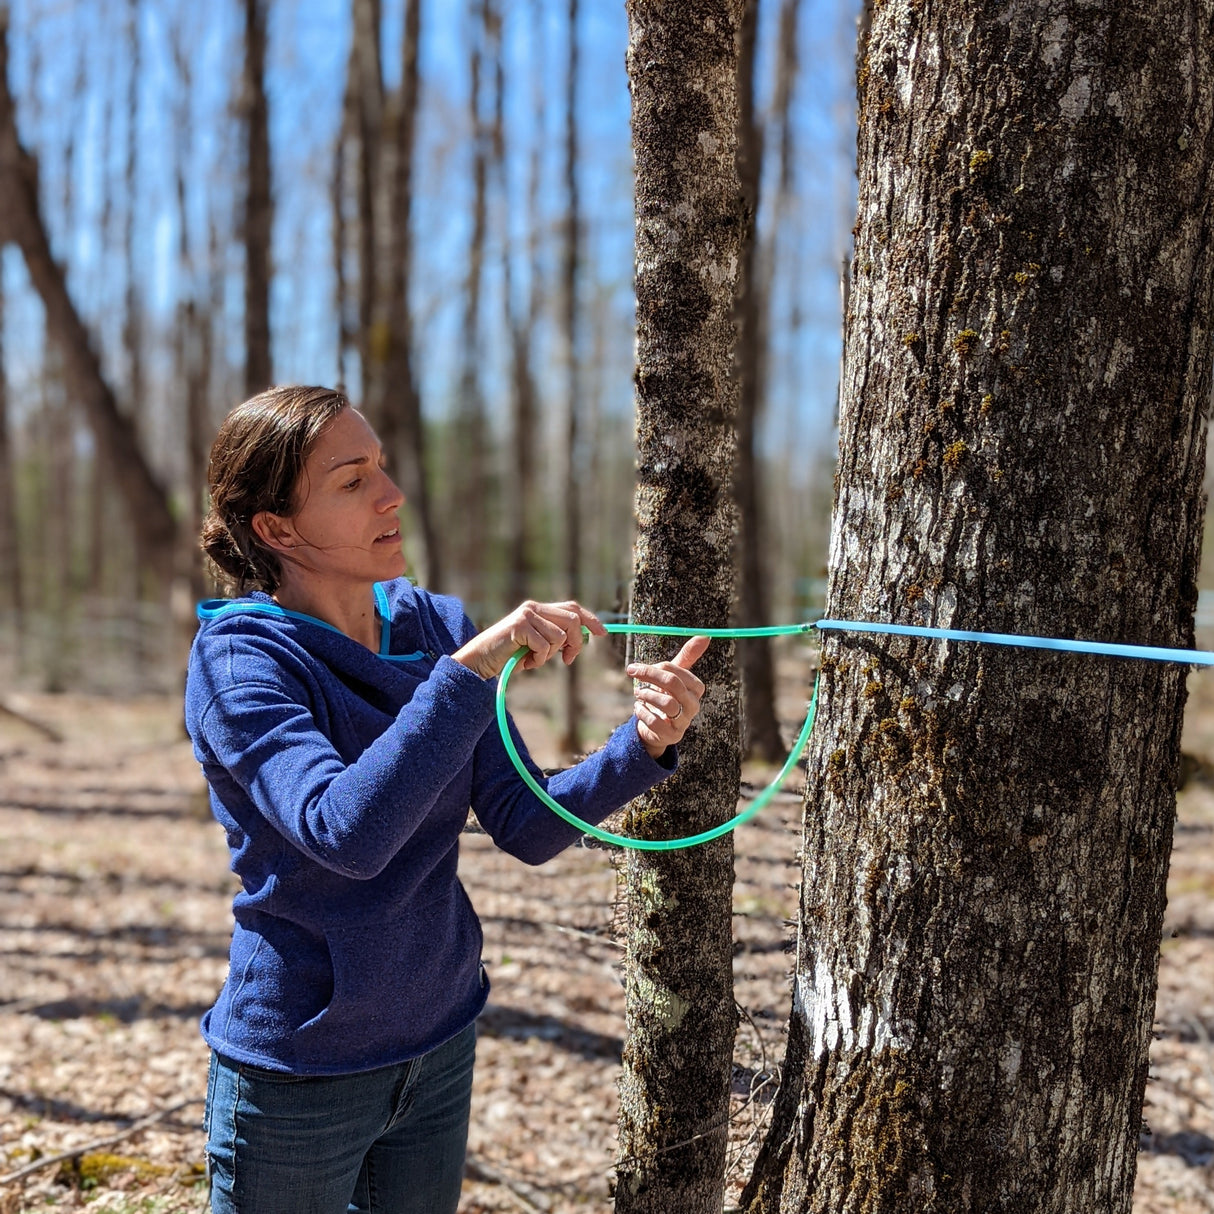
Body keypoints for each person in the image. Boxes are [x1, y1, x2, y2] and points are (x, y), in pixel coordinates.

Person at [185, 385, 708, 1214]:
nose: (392, 496)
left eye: (382, 469)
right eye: (351, 481)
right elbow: (343, 832)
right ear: (276, 530)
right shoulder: (240, 662)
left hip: (438, 1043)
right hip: (298, 1071)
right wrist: (466, 673)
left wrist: (642, 745)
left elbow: (531, 824)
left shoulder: (432, 625)